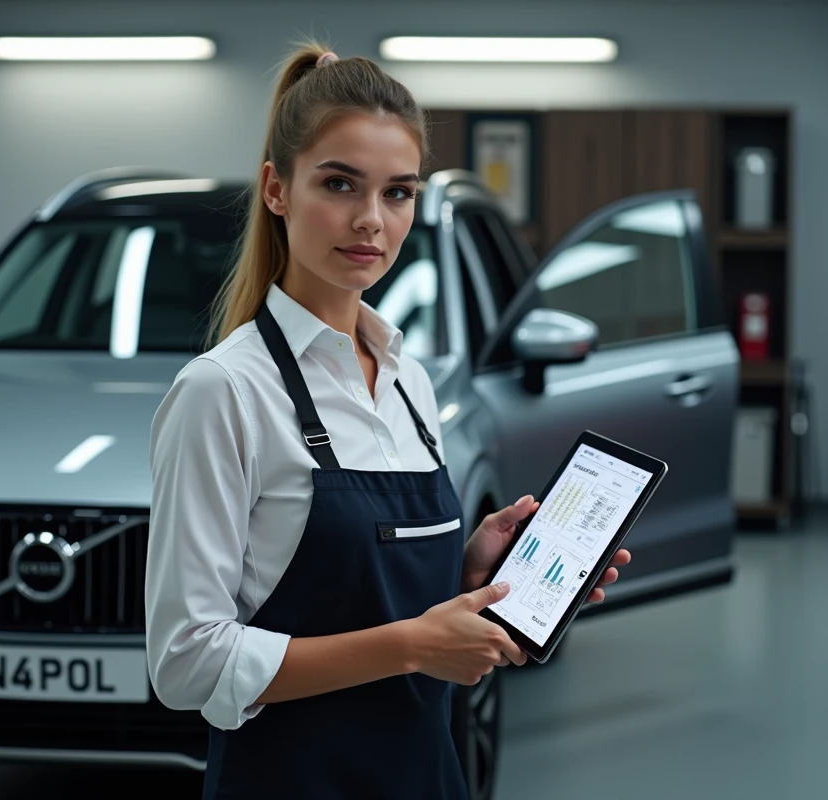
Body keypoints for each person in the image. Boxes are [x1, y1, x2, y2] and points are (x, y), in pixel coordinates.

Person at [144, 42, 632, 799]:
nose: (371, 220)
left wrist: (468, 576)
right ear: (276, 189)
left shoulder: (409, 382)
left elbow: (370, 597)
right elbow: (186, 663)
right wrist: (412, 645)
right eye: (339, 184)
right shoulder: (224, 392)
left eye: (398, 193)